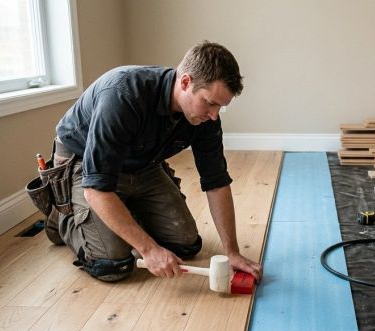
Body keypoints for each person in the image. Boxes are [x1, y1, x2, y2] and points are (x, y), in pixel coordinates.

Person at [46, 41, 262, 283]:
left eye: (220, 108)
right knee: (112, 264)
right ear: (185, 82)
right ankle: (63, 215)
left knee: (186, 244)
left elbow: (216, 182)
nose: (214, 115)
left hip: (142, 163)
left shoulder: (205, 118)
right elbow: (96, 189)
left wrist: (231, 251)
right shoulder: (122, 95)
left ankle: (123, 210)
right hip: (84, 162)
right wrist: (149, 250)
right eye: (210, 102)